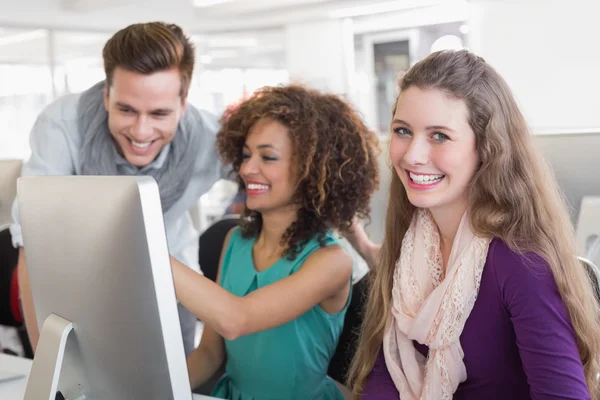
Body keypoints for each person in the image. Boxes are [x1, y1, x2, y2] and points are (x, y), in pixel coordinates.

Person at [347, 49, 600, 400]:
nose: (412, 154)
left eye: (439, 136)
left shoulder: (519, 261)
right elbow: (384, 377)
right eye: (403, 131)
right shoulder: (413, 240)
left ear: (487, 148)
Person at [10, 22, 229, 356]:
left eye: (159, 113)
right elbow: (33, 245)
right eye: (126, 109)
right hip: (80, 293)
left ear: (183, 106)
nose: (141, 132)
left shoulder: (209, 138)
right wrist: (47, 364)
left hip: (171, 292)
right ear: (107, 95)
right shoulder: (63, 126)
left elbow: (275, 178)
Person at [169, 84, 380, 399]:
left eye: (268, 157)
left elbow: (236, 320)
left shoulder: (330, 261)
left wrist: (149, 253)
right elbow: (211, 354)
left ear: (311, 169)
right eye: (245, 155)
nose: (246, 169)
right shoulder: (236, 241)